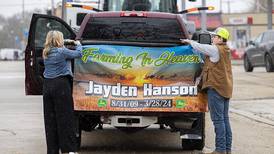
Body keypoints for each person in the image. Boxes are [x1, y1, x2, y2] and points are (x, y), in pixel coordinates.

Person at [181, 28, 233, 154]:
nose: (213, 38)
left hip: (215, 89)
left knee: (218, 120)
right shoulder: (226, 50)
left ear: (221, 39)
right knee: (224, 119)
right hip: (225, 88)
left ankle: (220, 149)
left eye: (215, 36)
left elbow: (200, 47)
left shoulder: (215, 49)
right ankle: (227, 149)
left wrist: (188, 41)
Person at [42, 30, 82, 154]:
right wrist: (78, 43)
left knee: (50, 120)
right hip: (61, 86)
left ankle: (52, 150)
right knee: (65, 119)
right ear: (60, 39)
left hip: (47, 86)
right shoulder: (62, 52)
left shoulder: (45, 53)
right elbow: (79, 54)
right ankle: (68, 149)